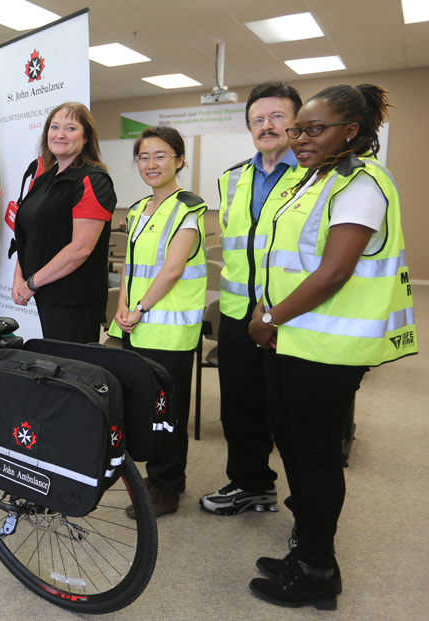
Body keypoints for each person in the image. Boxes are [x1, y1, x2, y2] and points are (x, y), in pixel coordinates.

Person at [247, 85, 417, 609]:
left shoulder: (361, 183)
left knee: (317, 456)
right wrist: (266, 313)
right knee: (291, 442)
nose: (299, 137)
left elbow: (335, 271)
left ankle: (317, 570)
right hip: (292, 336)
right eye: (298, 128)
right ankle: (308, 548)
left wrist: (270, 316)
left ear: (352, 131)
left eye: (313, 129)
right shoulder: (312, 180)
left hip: (328, 347)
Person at [200, 81, 306, 516]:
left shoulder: (315, 175)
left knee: (291, 415)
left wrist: (281, 309)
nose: (267, 126)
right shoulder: (232, 178)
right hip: (239, 311)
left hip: (293, 313)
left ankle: (308, 508)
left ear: (297, 123)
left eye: (277, 116)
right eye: (258, 119)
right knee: (239, 405)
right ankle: (250, 484)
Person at [108, 126, 207, 517]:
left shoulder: (188, 207)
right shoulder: (138, 209)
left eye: (161, 155)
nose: (151, 164)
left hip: (169, 330)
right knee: (146, 410)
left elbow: (172, 269)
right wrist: (122, 305)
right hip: (136, 324)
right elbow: (131, 265)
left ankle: (168, 486)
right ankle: (155, 474)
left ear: (180, 160)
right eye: (144, 157)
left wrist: (140, 308)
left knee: (169, 412)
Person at [11, 102, 115, 342]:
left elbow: (81, 249)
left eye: (70, 128)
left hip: (74, 298)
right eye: (54, 127)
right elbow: (28, 235)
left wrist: (31, 283)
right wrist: (21, 277)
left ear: (86, 136)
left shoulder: (93, 179)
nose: (60, 134)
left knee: (73, 372)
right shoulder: (44, 179)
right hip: (47, 292)